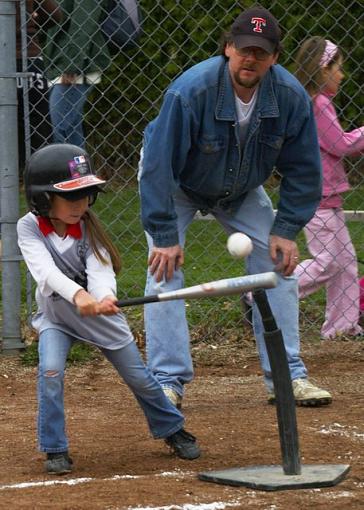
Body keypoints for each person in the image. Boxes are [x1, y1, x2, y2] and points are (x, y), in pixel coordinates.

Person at [138, 6, 332, 408]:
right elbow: (158, 166)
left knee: (279, 263)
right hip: (177, 184)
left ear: (274, 57)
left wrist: (286, 228)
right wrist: (164, 234)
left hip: (241, 189)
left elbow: (305, 170)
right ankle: (167, 381)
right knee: (164, 269)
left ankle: (286, 375)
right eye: (244, 49)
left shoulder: (290, 96)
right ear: (228, 48)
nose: (251, 59)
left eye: (261, 52)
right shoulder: (191, 91)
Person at [17, 143, 200, 475]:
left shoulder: (89, 228)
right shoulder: (27, 227)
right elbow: (44, 271)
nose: (81, 204)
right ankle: (55, 448)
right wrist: (78, 295)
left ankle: (172, 430)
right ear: (44, 199)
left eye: (86, 195)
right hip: (57, 318)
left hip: (100, 319)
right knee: (50, 372)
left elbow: (100, 269)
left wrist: (102, 297)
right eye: (71, 197)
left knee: (141, 380)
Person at [294, 37, 364, 339]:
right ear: (322, 69)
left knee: (346, 265)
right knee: (326, 263)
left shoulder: (317, 101)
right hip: (316, 200)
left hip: (328, 198)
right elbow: (340, 145)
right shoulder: (318, 104)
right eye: (338, 68)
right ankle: (263, 294)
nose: (342, 74)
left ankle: (341, 328)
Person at [40, 1, 111, 148]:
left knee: (59, 131)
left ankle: (63, 171)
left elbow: (85, 23)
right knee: (72, 134)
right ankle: (81, 171)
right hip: (59, 64)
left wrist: (72, 64)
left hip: (75, 68)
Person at [16, 0, 62, 169]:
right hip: (29, 56)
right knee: (38, 124)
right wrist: (30, 20)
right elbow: (54, 14)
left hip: (8, 56)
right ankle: (41, 177)